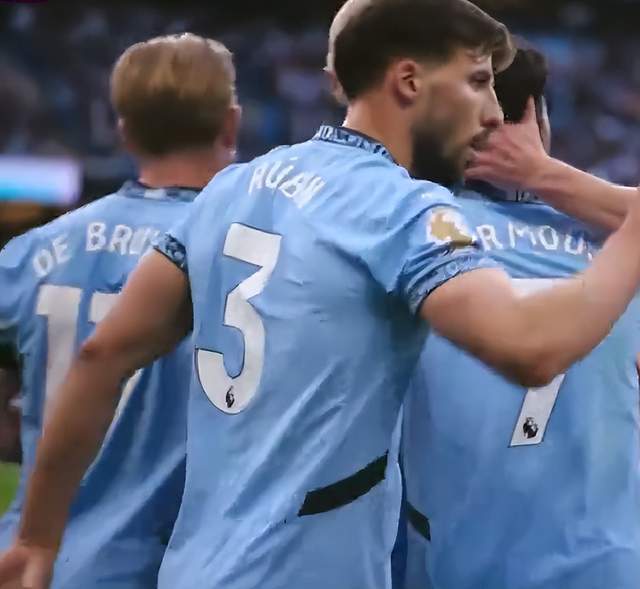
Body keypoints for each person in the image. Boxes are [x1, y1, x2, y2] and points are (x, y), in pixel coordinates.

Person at [3, 1, 640, 587]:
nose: (495, 113)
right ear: (409, 81)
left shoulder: (238, 186)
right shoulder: (398, 208)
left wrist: (36, 538)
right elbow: (528, 346)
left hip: (201, 569)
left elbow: (101, 355)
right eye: (477, 81)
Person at [0, 33, 239, 588]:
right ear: (231, 125)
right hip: (167, 569)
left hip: (32, 562)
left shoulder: (31, 252)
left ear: (123, 131)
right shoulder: (248, 261)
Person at [398, 45, 640, 589]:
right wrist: (546, 174)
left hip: (456, 564)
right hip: (607, 567)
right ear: (537, 120)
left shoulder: (411, 231)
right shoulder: (618, 245)